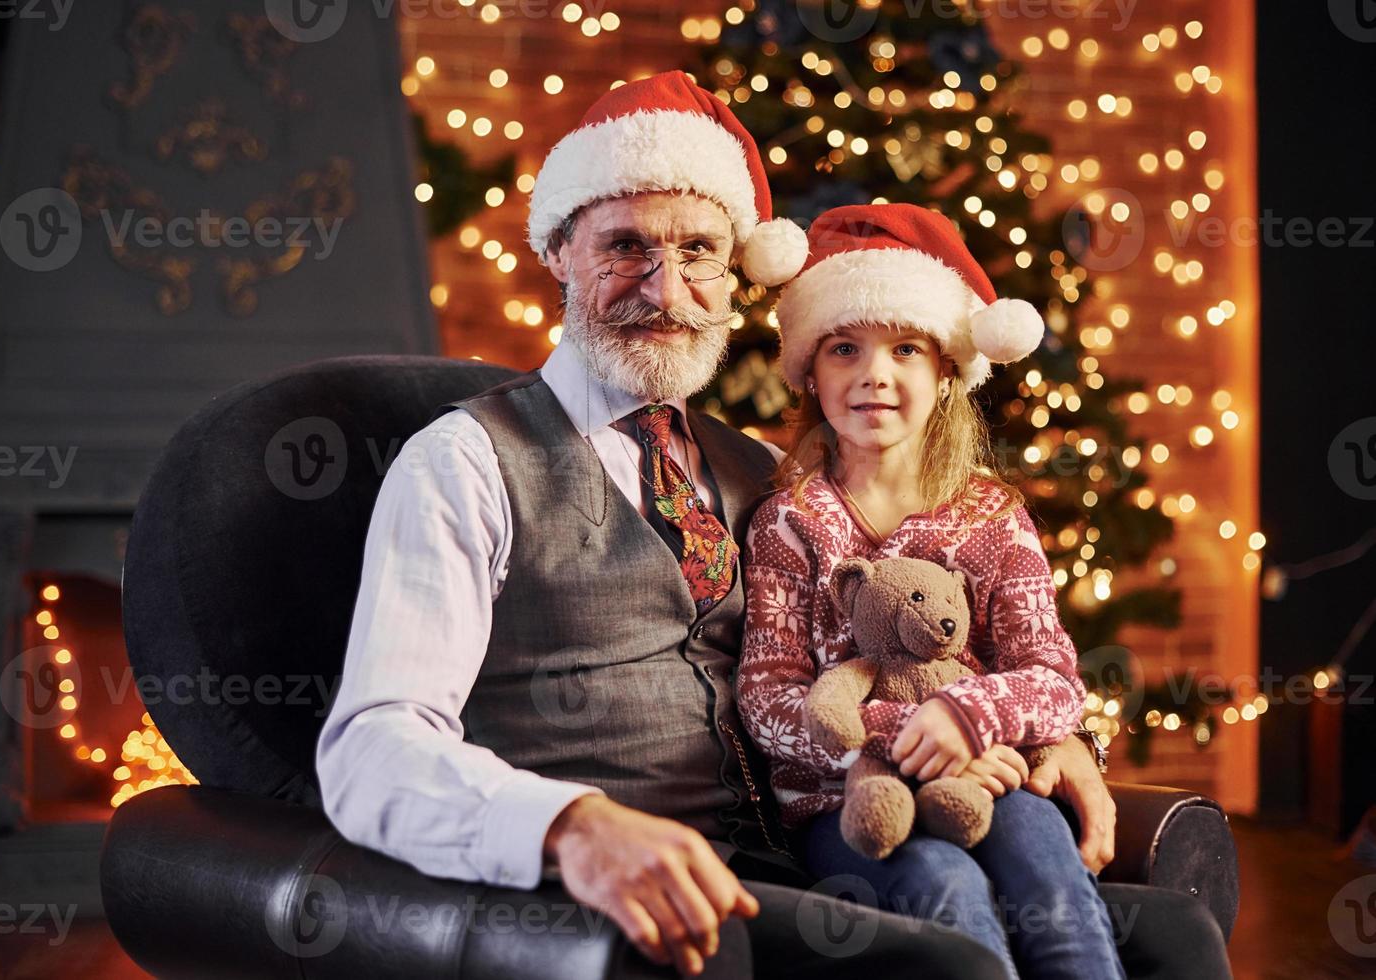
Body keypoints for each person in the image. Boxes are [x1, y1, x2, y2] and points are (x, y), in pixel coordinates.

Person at [315, 72, 1221, 979]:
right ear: (558, 250)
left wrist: (1058, 741)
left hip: (807, 848)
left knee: (1179, 939)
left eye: (702, 252)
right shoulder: (465, 462)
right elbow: (371, 747)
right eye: (625, 245)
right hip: (646, 895)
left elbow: (935, 656)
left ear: (734, 272)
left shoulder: (758, 475)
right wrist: (570, 827)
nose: (667, 289)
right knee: (954, 962)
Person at [738, 203, 1125, 979]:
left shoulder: (992, 517)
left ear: (946, 371)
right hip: (845, 804)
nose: (874, 374)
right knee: (944, 890)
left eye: (905, 349)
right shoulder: (787, 523)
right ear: (810, 372)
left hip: (989, 779)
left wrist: (970, 716)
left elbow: (1052, 680)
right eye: (844, 348)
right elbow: (767, 696)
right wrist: (910, 736)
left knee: (1050, 882)